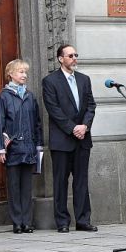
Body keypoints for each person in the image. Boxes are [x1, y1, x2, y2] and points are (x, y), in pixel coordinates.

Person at [42, 44, 97, 233]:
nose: (74, 58)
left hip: (82, 139)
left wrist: (85, 126)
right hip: (62, 140)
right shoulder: (50, 81)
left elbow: (91, 105)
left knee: (81, 181)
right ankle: (63, 222)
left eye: (76, 55)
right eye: (70, 55)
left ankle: (83, 220)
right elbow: (54, 110)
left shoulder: (84, 79)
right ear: (60, 59)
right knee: (61, 182)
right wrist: (72, 128)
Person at [0, 59, 43, 233]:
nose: (24, 75)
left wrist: (39, 145)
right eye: (21, 72)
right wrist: (0, 148)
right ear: (11, 74)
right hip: (13, 149)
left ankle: (27, 222)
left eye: (25, 72)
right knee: (14, 187)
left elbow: (37, 123)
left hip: (29, 148)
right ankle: (17, 222)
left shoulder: (30, 96)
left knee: (27, 187)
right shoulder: (3, 96)